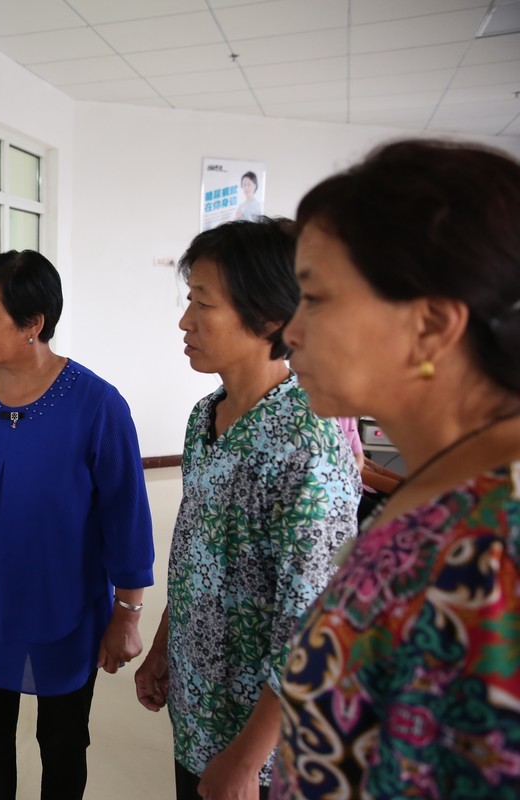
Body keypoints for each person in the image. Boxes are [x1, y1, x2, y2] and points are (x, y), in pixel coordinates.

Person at [273, 139, 520, 799]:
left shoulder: (495, 554)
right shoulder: (449, 485)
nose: (291, 331)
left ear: (432, 324)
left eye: (316, 298)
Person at [0, 249, 155, 800]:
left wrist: (128, 613)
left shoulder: (97, 406)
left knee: (64, 744)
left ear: (33, 325)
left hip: (65, 612)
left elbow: (127, 522)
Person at [133, 219, 359, 800]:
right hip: (201, 705)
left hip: (264, 749)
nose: (185, 321)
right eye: (189, 300)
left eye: (203, 304)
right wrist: (164, 647)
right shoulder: (205, 416)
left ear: (268, 317)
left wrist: (248, 756)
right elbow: (196, 550)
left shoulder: (309, 442)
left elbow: (315, 620)